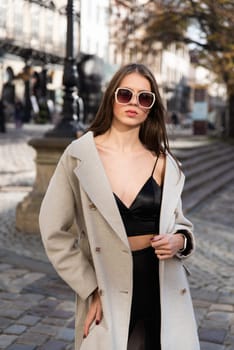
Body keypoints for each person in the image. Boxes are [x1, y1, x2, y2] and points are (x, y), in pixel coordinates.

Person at [39, 63, 200, 350]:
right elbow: (53, 230)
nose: (134, 103)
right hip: (107, 285)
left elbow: (181, 224)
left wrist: (179, 240)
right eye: (125, 94)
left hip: (162, 285)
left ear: (151, 107)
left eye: (144, 98)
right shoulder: (79, 156)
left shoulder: (164, 163)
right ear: (112, 97)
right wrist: (90, 288)